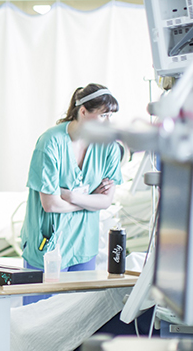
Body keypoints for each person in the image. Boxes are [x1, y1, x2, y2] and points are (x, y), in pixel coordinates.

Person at [19, 84, 122, 305]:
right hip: (48, 244)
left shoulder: (109, 146)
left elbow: (106, 201)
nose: (108, 122)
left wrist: (71, 196)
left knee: (77, 318)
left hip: (84, 243)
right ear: (83, 111)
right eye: (103, 115)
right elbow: (50, 205)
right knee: (37, 318)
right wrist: (89, 199)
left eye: (111, 116)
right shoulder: (50, 142)